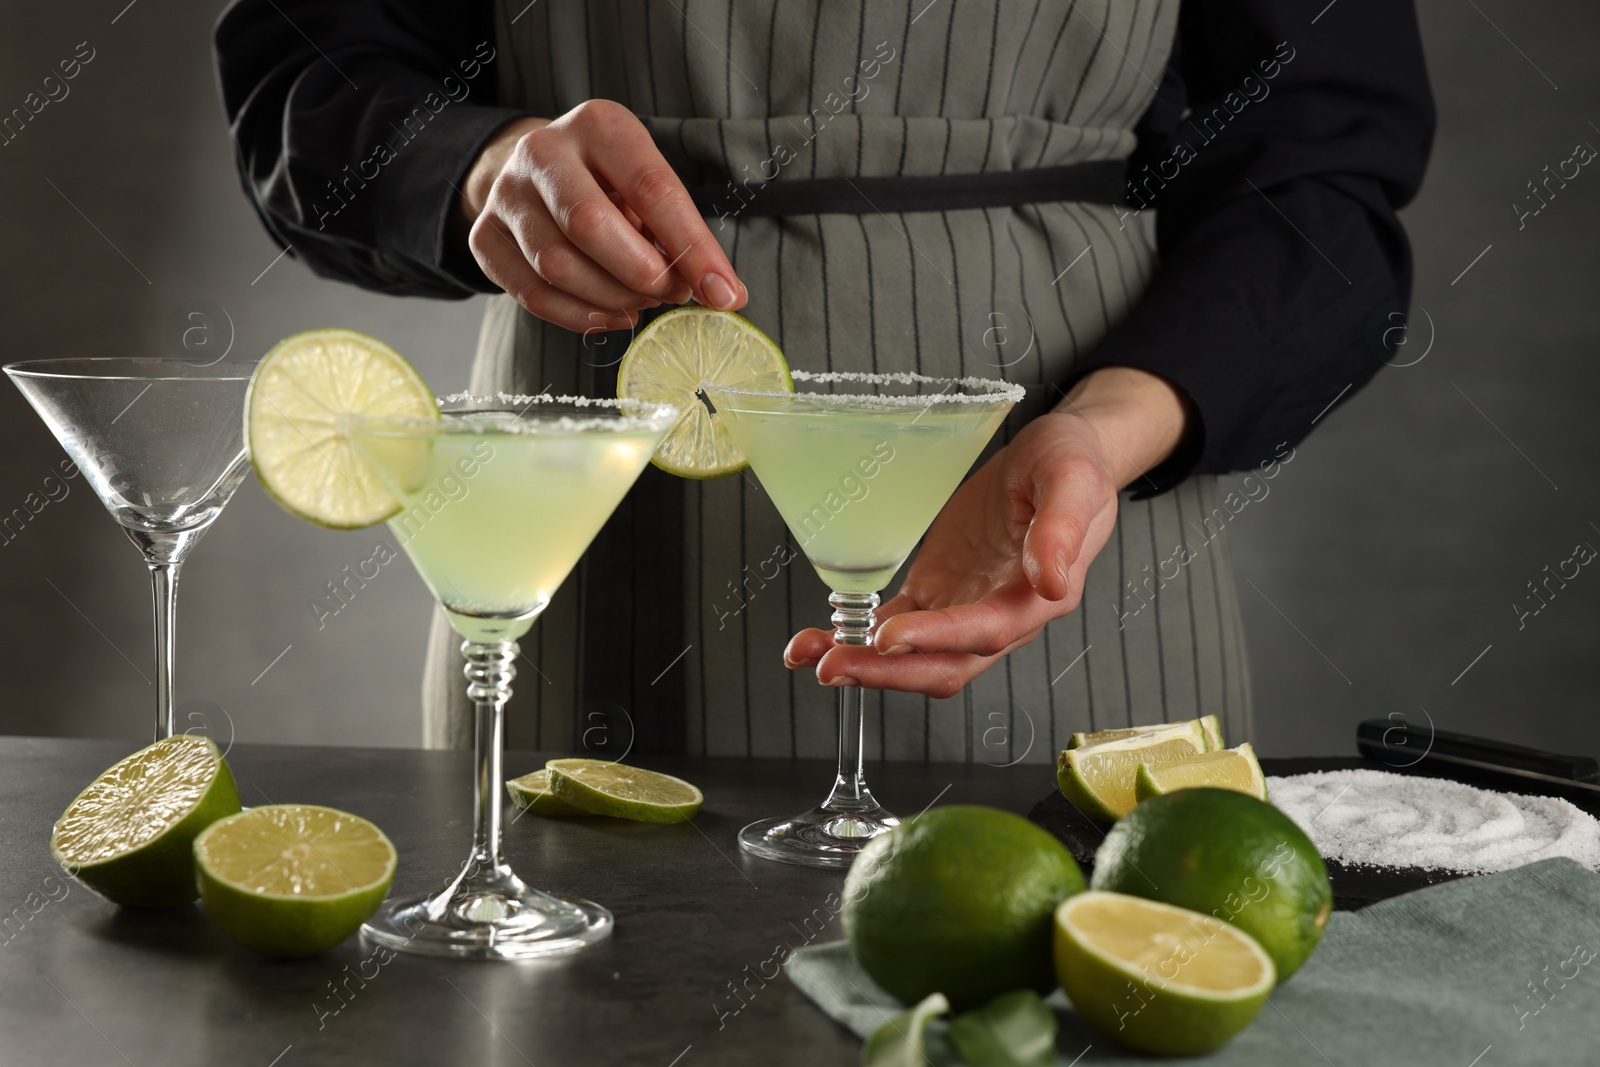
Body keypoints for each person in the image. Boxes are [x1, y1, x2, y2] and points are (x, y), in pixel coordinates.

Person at [215, 0, 1433, 762]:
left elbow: (1322, 183)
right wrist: (480, 165)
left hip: (1077, 537)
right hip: (599, 552)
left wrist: (1103, 436)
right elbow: (307, 72)